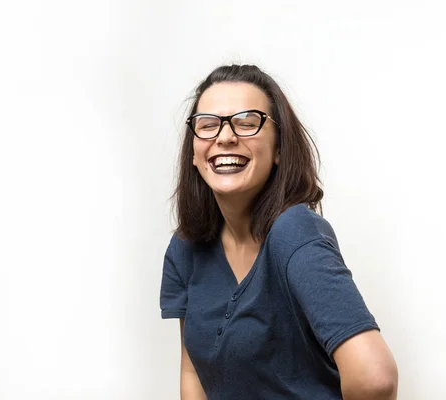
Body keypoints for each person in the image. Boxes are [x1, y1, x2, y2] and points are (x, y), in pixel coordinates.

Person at [160, 64, 398, 399]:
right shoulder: (185, 248)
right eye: (208, 125)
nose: (225, 137)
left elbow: (375, 379)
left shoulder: (294, 231)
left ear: (279, 149)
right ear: (195, 155)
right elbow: (193, 371)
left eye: (246, 122)